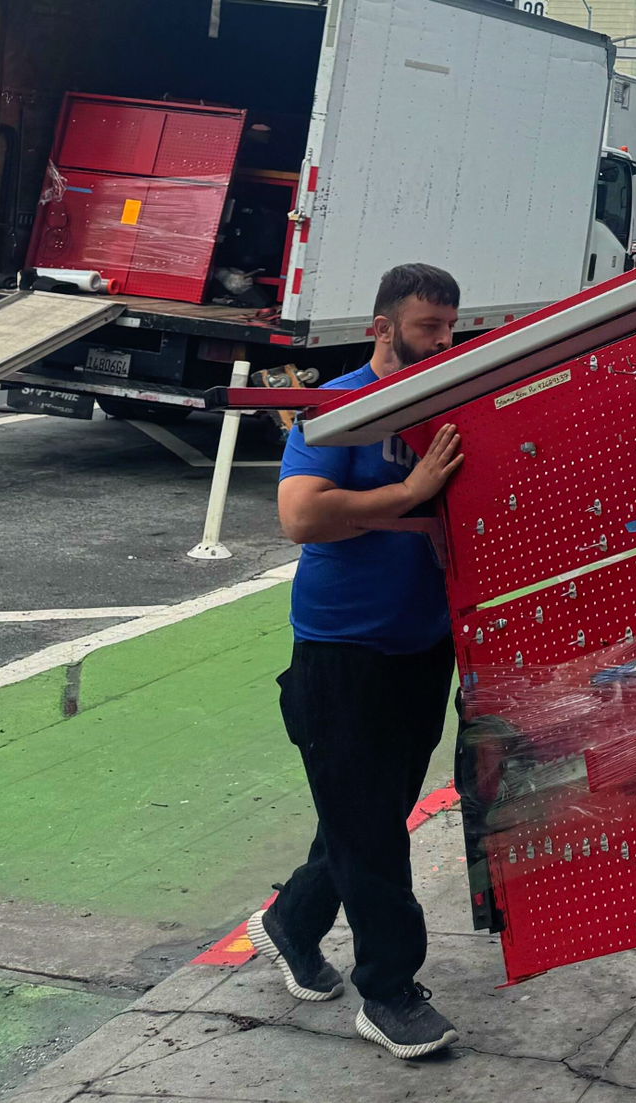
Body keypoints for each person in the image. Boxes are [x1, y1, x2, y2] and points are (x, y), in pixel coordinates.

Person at [250, 263, 466, 1061]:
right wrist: (410, 491)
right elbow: (301, 514)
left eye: (450, 325)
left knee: (369, 810)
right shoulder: (341, 405)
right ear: (382, 326)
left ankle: (292, 920)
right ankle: (389, 990)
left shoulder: (448, 402)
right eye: (427, 326)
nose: (442, 340)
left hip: (422, 644)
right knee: (372, 829)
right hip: (342, 648)